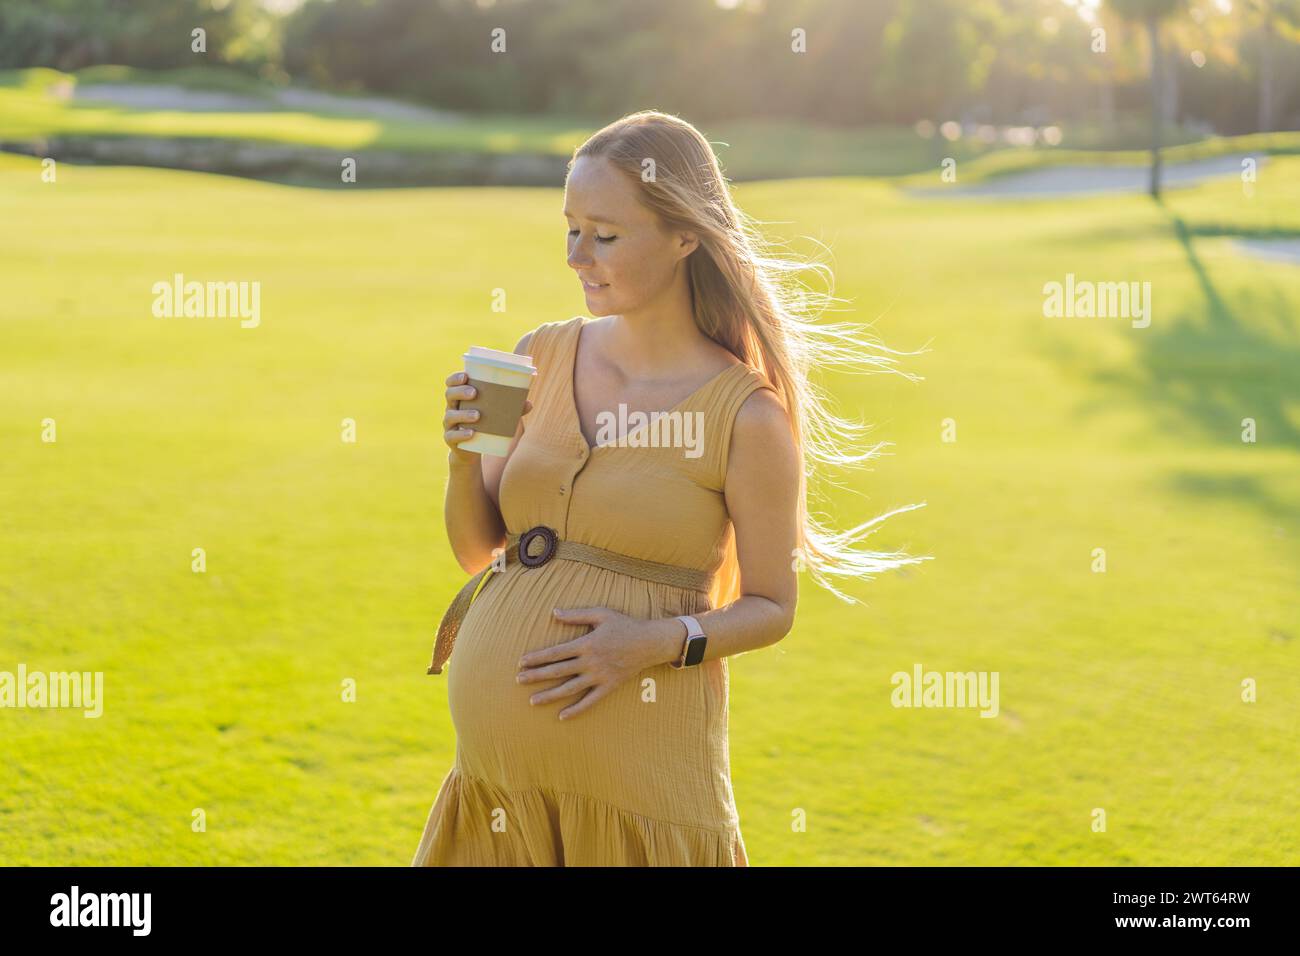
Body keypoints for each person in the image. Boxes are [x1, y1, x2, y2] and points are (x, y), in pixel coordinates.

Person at [412, 110, 928, 866]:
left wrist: (648, 645)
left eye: (606, 235)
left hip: (641, 800)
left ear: (686, 236)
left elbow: (772, 608)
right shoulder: (539, 356)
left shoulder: (745, 415)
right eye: (570, 229)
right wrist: (462, 456)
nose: (577, 256)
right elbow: (477, 552)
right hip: (495, 797)